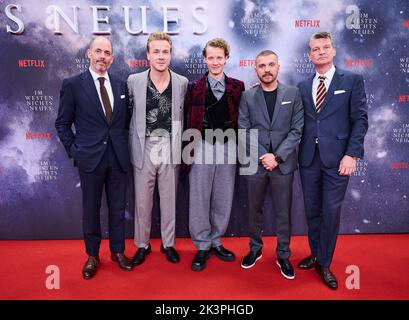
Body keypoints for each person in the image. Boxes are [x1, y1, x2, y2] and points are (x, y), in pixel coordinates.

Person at [55, 36, 133, 279]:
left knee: (118, 208)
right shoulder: (73, 84)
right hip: (90, 159)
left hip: (118, 158)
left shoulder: (121, 85)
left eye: (107, 53)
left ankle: (118, 251)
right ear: (89, 53)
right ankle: (92, 255)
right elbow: (62, 124)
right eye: (98, 51)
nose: (102, 56)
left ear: (112, 58)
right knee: (91, 210)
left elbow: (124, 123)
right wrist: (75, 150)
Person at [297, 32, 368, 289]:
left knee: (330, 211)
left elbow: (360, 119)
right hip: (308, 159)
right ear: (310, 55)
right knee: (312, 212)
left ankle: (324, 263)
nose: (321, 52)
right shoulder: (303, 86)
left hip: (338, 159)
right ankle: (315, 253)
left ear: (334, 50)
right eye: (315, 49)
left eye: (325, 47)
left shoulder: (351, 80)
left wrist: (352, 154)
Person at [238, 50, 303, 279]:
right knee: (254, 210)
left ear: (278, 66)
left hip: (282, 164)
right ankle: (254, 249)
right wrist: (263, 155)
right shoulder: (247, 96)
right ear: (255, 69)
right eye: (262, 65)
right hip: (254, 162)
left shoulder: (293, 94)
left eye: (271, 64)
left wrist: (276, 157)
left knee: (283, 212)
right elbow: (243, 129)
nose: (267, 69)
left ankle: (283, 254)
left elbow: (297, 131)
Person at [184, 38, 245, 271]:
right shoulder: (194, 87)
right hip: (201, 146)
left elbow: (243, 119)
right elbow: (188, 119)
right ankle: (201, 245)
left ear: (227, 58)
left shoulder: (238, 86)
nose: (215, 61)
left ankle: (216, 241)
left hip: (228, 146)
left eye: (220, 57)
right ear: (204, 59)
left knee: (223, 195)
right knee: (199, 196)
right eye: (211, 57)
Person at [128, 32, 188, 266]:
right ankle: (142, 245)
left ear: (170, 54)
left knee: (169, 199)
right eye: (156, 51)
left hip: (170, 146)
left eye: (165, 51)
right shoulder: (134, 81)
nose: (161, 56)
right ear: (148, 55)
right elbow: (129, 114)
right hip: (144, 146)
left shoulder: (181, 82)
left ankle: (168, 244)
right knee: (143, 202)